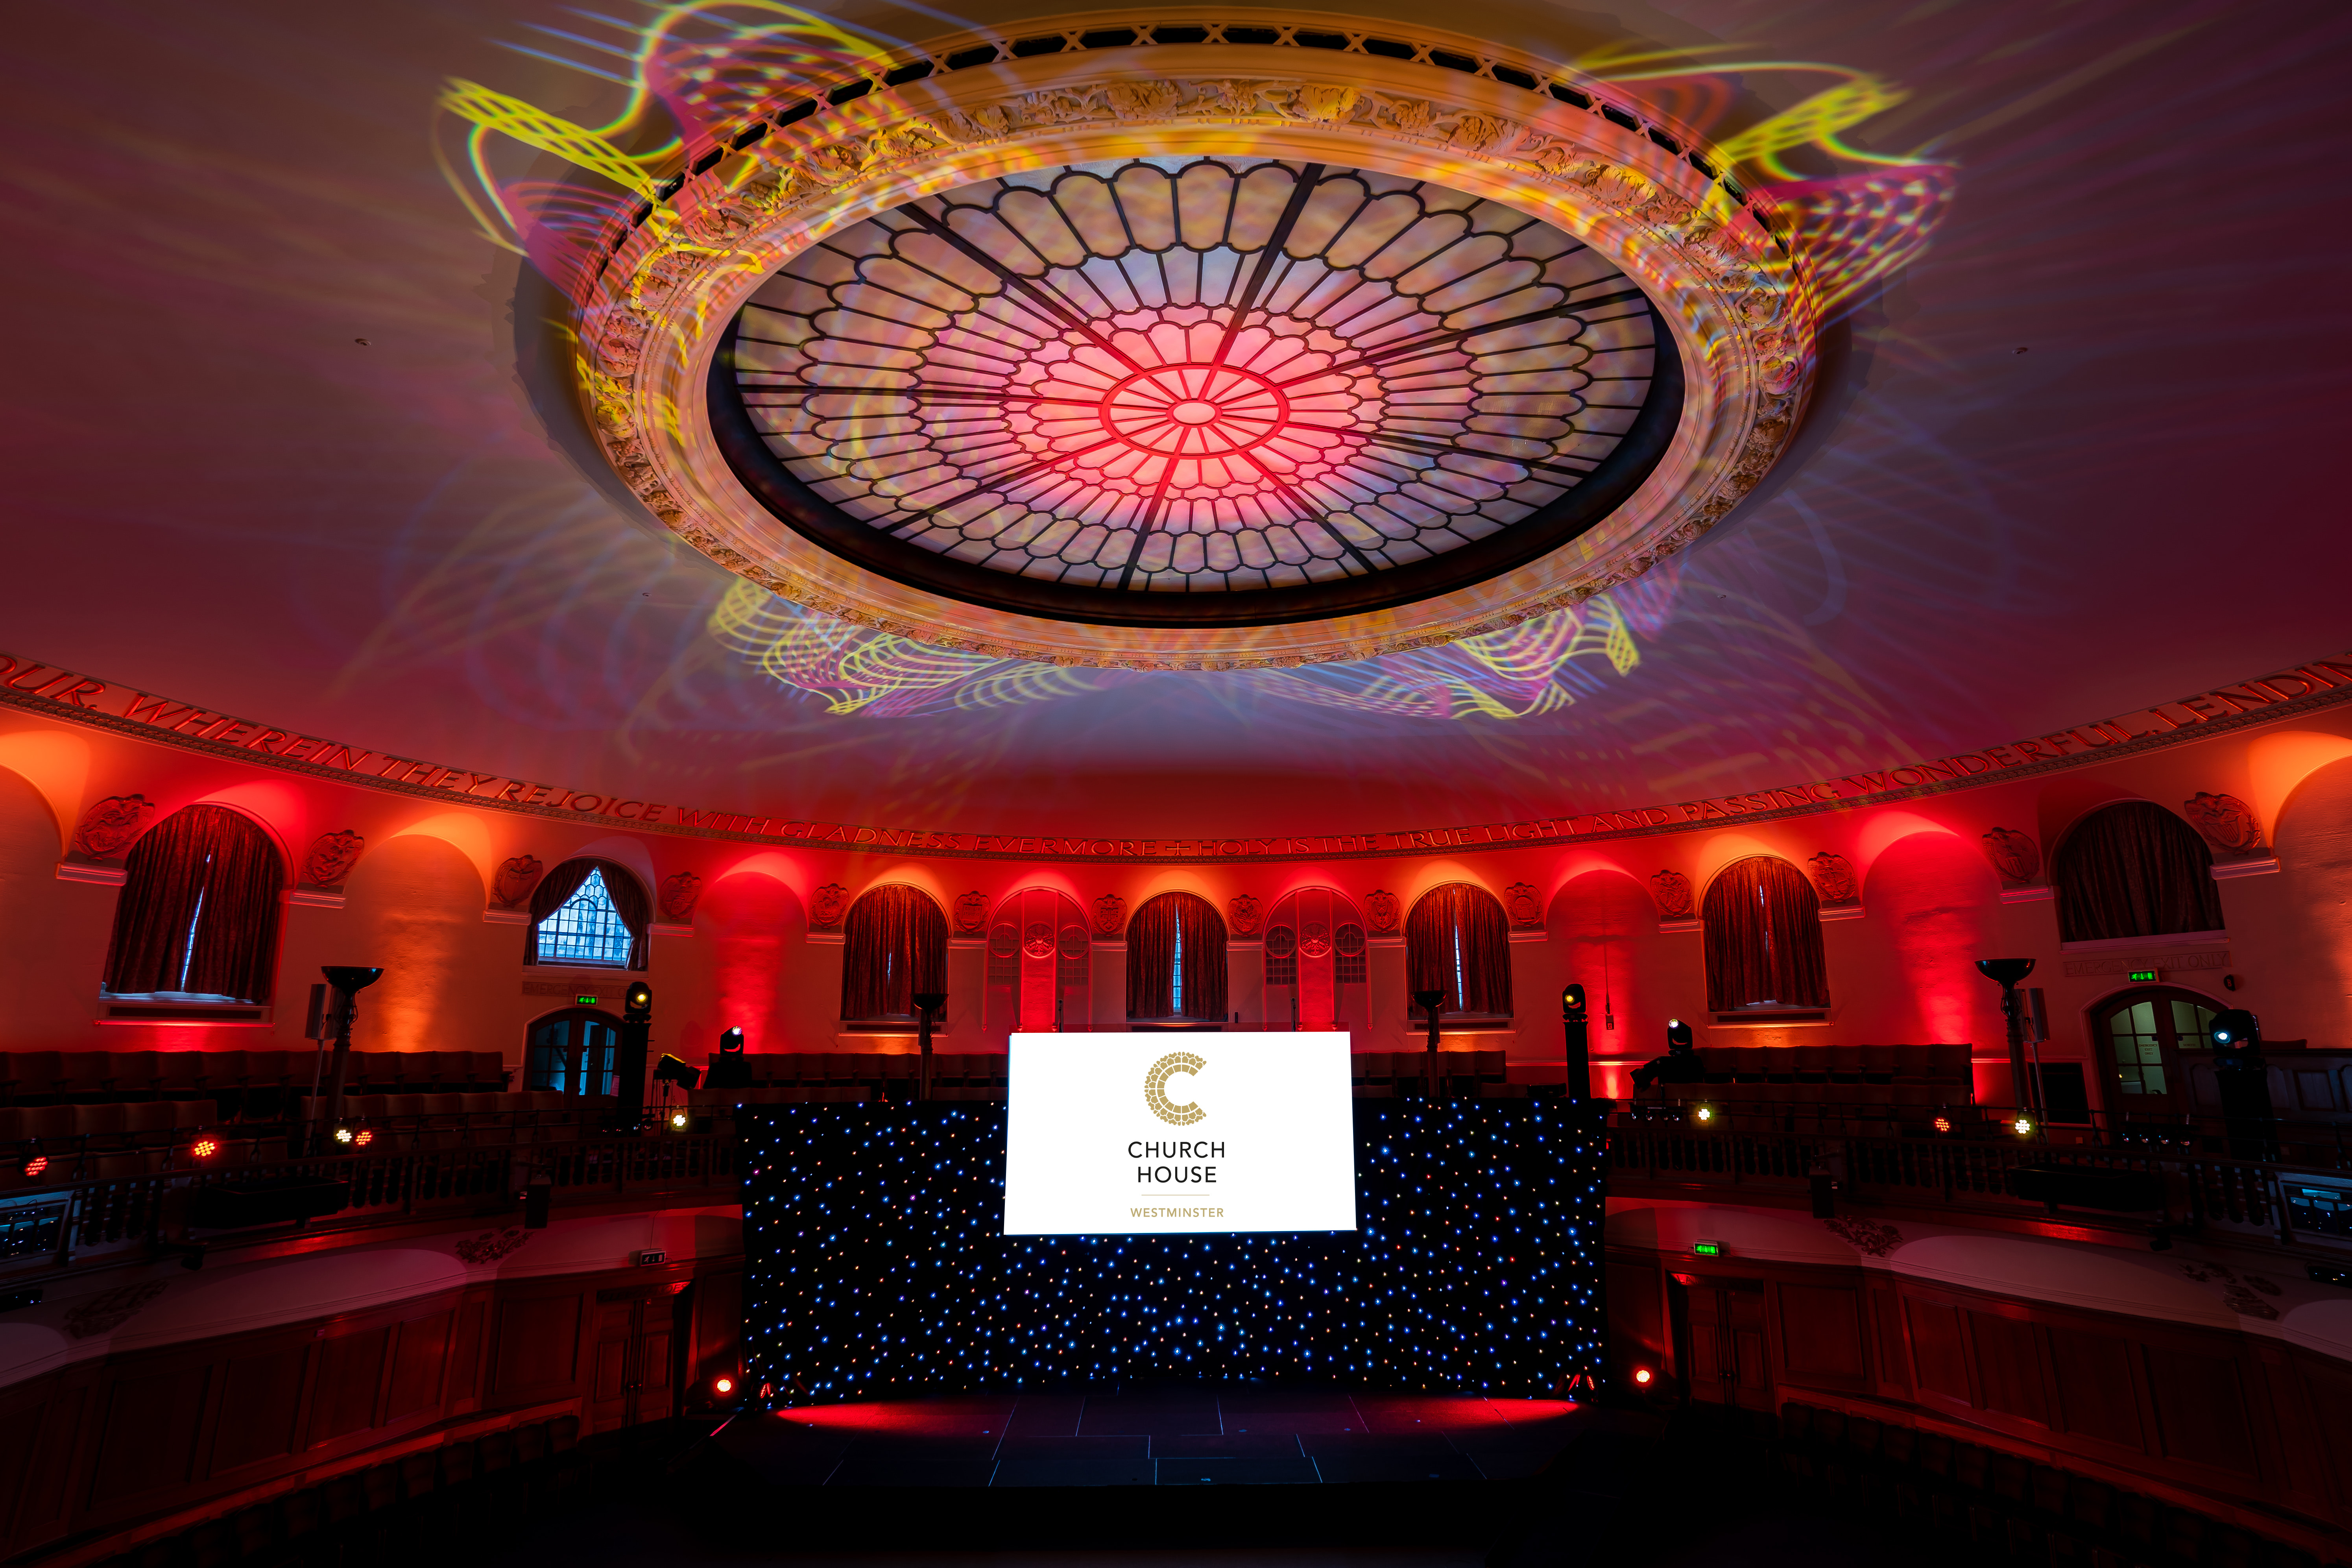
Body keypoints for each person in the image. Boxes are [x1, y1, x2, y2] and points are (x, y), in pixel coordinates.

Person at [1631, 1019, 1705, 1092]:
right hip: (1673, 1060)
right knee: (1660, 1061)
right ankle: (1643, 1076)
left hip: (1687, 1059)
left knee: (1660, 1062)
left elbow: (1689, 1046)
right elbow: (1671, 1046)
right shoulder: (1670, 1031)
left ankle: (1643, 1076)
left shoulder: (1696, 1059)